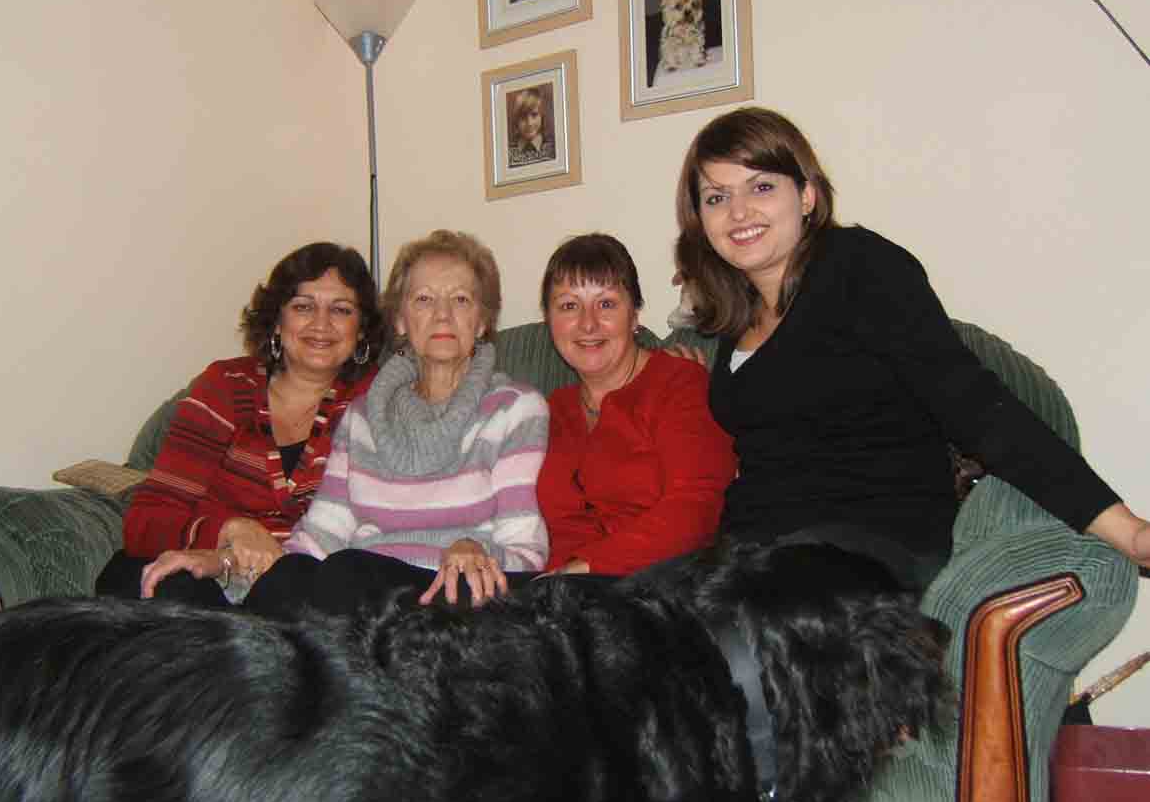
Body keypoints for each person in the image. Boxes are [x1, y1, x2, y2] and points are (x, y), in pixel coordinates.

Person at [672, 106, 1150, 590]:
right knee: (612, 620)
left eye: (762, 186)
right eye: (716, 196)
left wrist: (1128, 532)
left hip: (869, 543)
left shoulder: (857, 267)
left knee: (741, 626)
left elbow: (976, 406)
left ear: (808, 195)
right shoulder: (733, 320)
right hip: (753, 551)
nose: (738, 212)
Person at [252, 229, 549, 615]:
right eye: (424, 299)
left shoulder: (516, 408)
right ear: (401, 321)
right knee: (285, 582)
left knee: (348, 571)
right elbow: (320, 536)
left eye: (460, 300)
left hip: (456, 594)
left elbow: (526, 547)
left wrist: (478, 550)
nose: (442, 314)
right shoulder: (361, 418)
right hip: (360, 591)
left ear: (482, 321)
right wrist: (235, 569)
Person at [94, 242, 383, 607]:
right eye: (303, 306)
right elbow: (147, 521)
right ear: (278, 322)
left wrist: (251, 554)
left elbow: (380, 525)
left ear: (361, 330)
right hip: (200, 576)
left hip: (301, 586)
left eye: (341, 310)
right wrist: (231, 529)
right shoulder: (227, 385)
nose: (321, 324)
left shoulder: (377, 400)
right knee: (155, 583)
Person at [536, 233, 736, 576]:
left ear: (634, 315)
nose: (588, 323)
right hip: (557, 598)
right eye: (569, 305)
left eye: (607, 304)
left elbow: (696, 508)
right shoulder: (548, 410)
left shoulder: (680, 384)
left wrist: (584, 569)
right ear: (549, 321)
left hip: (659, 590)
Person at [508, 88, 556, 168]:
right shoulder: (507, 153)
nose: (529, 123)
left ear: (542, 116)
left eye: (534, 115)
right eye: (523, 117)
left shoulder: (553, 149)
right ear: (516, 120)